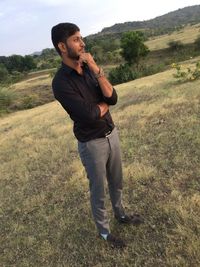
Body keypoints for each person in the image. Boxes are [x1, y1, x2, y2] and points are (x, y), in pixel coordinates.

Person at [51, 22, 143, 249]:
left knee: (117, 182)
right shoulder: (61, 82)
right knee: (99, 190)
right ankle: (104, 232)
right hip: (92, 143)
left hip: (112, 134)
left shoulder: (90, 69)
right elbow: (89, 115)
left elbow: (112, 98)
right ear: (62, 46)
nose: (82, 43)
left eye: (81, 38)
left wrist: (95, 68)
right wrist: (102, 107)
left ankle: (121, 214)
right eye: (76, 39)